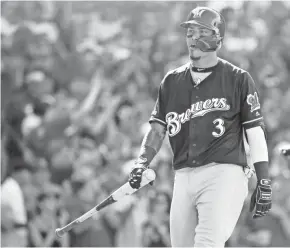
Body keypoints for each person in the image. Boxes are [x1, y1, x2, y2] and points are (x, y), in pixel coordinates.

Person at [128, 6, 272, 248]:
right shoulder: (172, 81)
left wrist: (264, 180)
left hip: (224, 172)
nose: (192, 38)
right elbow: (157, 128)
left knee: (207, 243)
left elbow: (255, 131)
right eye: (190, 32)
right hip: (183, 176)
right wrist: (142, 161)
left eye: (201, 32)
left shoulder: (237, 78)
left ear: (217, 37)